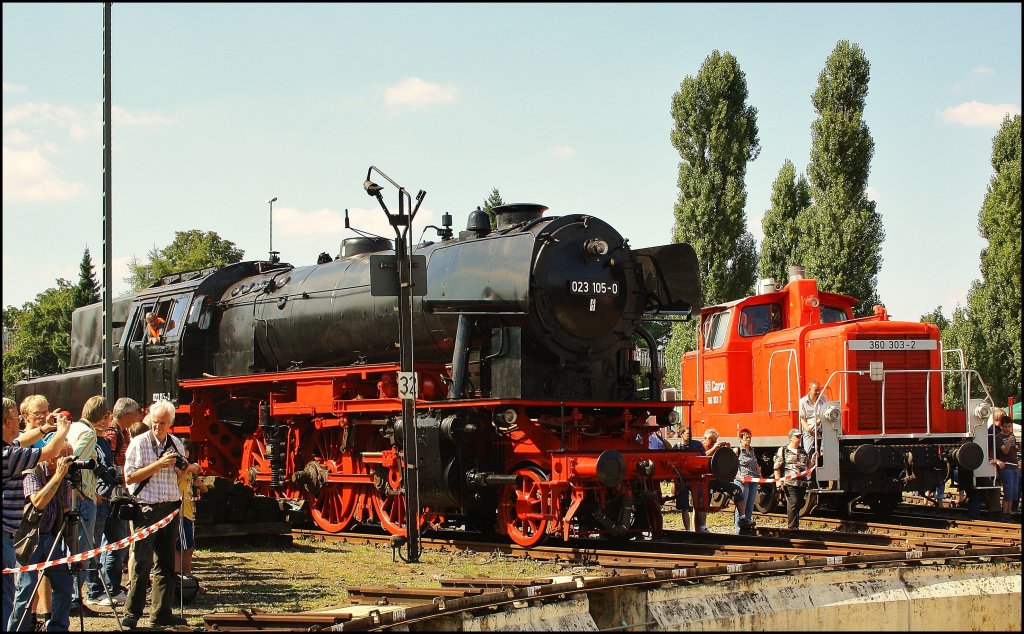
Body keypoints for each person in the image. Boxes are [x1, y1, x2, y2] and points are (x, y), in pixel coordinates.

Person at [2, 398, 71, 625]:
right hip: (9, 535)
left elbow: (22, 440)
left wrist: (45, 428)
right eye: (15, 417)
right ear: (6, 422)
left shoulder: (9, 448)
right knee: (8, 598)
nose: (19, 421)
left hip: (15, 534)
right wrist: (62, 430)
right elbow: (50, 451)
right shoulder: (9, 456)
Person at [122, 400, 189, 629]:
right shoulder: (138, 444)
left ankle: (161, 612)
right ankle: (132, 612)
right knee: (141, 562)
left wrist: (183, 468)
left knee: (167, 563)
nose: (157, 427)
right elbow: (129, 478)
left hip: (169, 507)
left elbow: (181, 474)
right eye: (154, 423)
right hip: (146, 509)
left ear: (171, 423)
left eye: (162, 423)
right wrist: (158, 465)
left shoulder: (176, 444)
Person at [7, 446, 77, 632]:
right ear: (52, 458)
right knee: (26, 589)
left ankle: (58, 627)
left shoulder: (65, 478)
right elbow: (38, 502)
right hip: (29, 539)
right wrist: (59, 475)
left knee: (64, 585)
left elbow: (66, 511)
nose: (67, 462)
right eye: (63, 457)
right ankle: (16, 628)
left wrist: (75, 552)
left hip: (50, 538)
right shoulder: (33, 472)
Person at [65, 396, 106, 612]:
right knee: (83, 550)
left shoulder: (73, 428)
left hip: (76, 496)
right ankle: (73, 599)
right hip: (83, 498)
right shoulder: (89, 433)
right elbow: (73, 460)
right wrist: (78, 489)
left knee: (73, 548)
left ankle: (71, 597)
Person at [99, 398, 142, 604]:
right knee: (116, 540)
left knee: (119, 540)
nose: (138, 417)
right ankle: (110, 587)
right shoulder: (112, 434)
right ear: (127, 415)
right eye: (136, 414)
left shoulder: (122, 432)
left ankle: (112, 585)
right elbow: (106, 461)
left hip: (119, 492)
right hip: (114, 494)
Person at [174, 440, 206, 585]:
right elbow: (178, 478)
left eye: (186, 450)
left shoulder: (189, 467)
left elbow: (197, 468)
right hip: (179, 511)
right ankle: (180, 576)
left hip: (189, 511)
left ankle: (187, 575)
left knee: (189, 546)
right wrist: (186, 469)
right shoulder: (176, 467)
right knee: (180, 547)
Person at [693, 428, 728, 533]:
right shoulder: (699, 446)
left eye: (714, 440)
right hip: (699, 479)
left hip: (710, 479)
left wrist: (725, 450)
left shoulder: (715, 447)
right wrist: (714, 449)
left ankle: (701, 527)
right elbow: (702, 456)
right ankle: (697, 528)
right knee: (698, 503)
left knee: (704, 503)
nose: (712, 442)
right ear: (705, 438)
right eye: (711, 440)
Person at [774, 428, 809, 529]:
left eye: (800, 437)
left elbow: (808, 464)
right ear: (790, 438)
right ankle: (792, 527)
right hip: (790, 483)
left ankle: (795, 525)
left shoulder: (802, 451)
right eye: (797, 437)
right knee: (793, 502)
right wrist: (777, 482)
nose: (799, 439)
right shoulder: (783, 450)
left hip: (802, 483)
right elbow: (777, 467)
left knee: (798, 504)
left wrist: (815, 460)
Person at [676, 427, 705, 531]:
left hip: (695, 479)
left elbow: (703, 458)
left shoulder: (697, 445)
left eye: (690, 433)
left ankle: (701, 527)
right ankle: (688, 529)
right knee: (684, 507)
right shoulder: (677, 447)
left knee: (700, 503)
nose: (689, 435)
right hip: (683, 480)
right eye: (687, 433)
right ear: (681, 434)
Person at [733, 428, 758, 533]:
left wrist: (759, 474)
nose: (748, 440)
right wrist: (738, 477)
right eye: (746, 438)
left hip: (753, 480)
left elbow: (755, 463)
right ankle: (738, 529)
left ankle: (746, 528)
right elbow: (731, 466)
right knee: (741, 506)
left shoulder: (752, 450)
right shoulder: (737, 450)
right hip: (742, 481)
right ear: (741, 439)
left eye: (750, 437)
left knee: (750, 505)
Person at [994, 414, 1019, 517]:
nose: (1008, 429)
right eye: (1005, 426)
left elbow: (1014, 450)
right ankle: (1004, 512)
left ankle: (1009, 511)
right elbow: (1005, 451)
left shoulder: (1012, 435)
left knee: (1014, 491)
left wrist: (1017, 447)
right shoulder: (998, 437)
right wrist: (1009, 441)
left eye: (1009, 426)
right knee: (1008, 490)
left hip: (1014, 466)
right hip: (1006, 467)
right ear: (1001, 426)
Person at [799, 381, 825, 464]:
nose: (818, 392)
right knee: (808, 447)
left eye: (819, 390)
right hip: (809, 426)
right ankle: (808, 457)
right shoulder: (802, 401)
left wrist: (816, 423)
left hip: (821, 423)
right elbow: (802, 419)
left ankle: (823, 450)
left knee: (826, 427)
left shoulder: (824, 399)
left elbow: (825, 415)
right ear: (809, 389)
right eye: (816, 390)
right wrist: (808, 429)